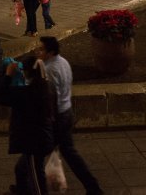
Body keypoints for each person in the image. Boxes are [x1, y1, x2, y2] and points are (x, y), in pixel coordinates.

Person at [37, 37, 103, 195]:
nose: (37, 52)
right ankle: (93, 187)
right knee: (69, 153)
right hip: (66, 112)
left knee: (35, 154)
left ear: (50, 52)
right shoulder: (63, 62)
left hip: (56, 117)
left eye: (41, 49)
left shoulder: (50, 70)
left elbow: (49, 97)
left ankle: (32, 188)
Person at [0, 55, 55, 195]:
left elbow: (0, 97)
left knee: (36, 178)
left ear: (26, 72)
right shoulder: (44, 87)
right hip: (41, 137)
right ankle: (22, 191)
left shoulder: (25, 93)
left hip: (34, 143)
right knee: (21, 169)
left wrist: (8, 75)